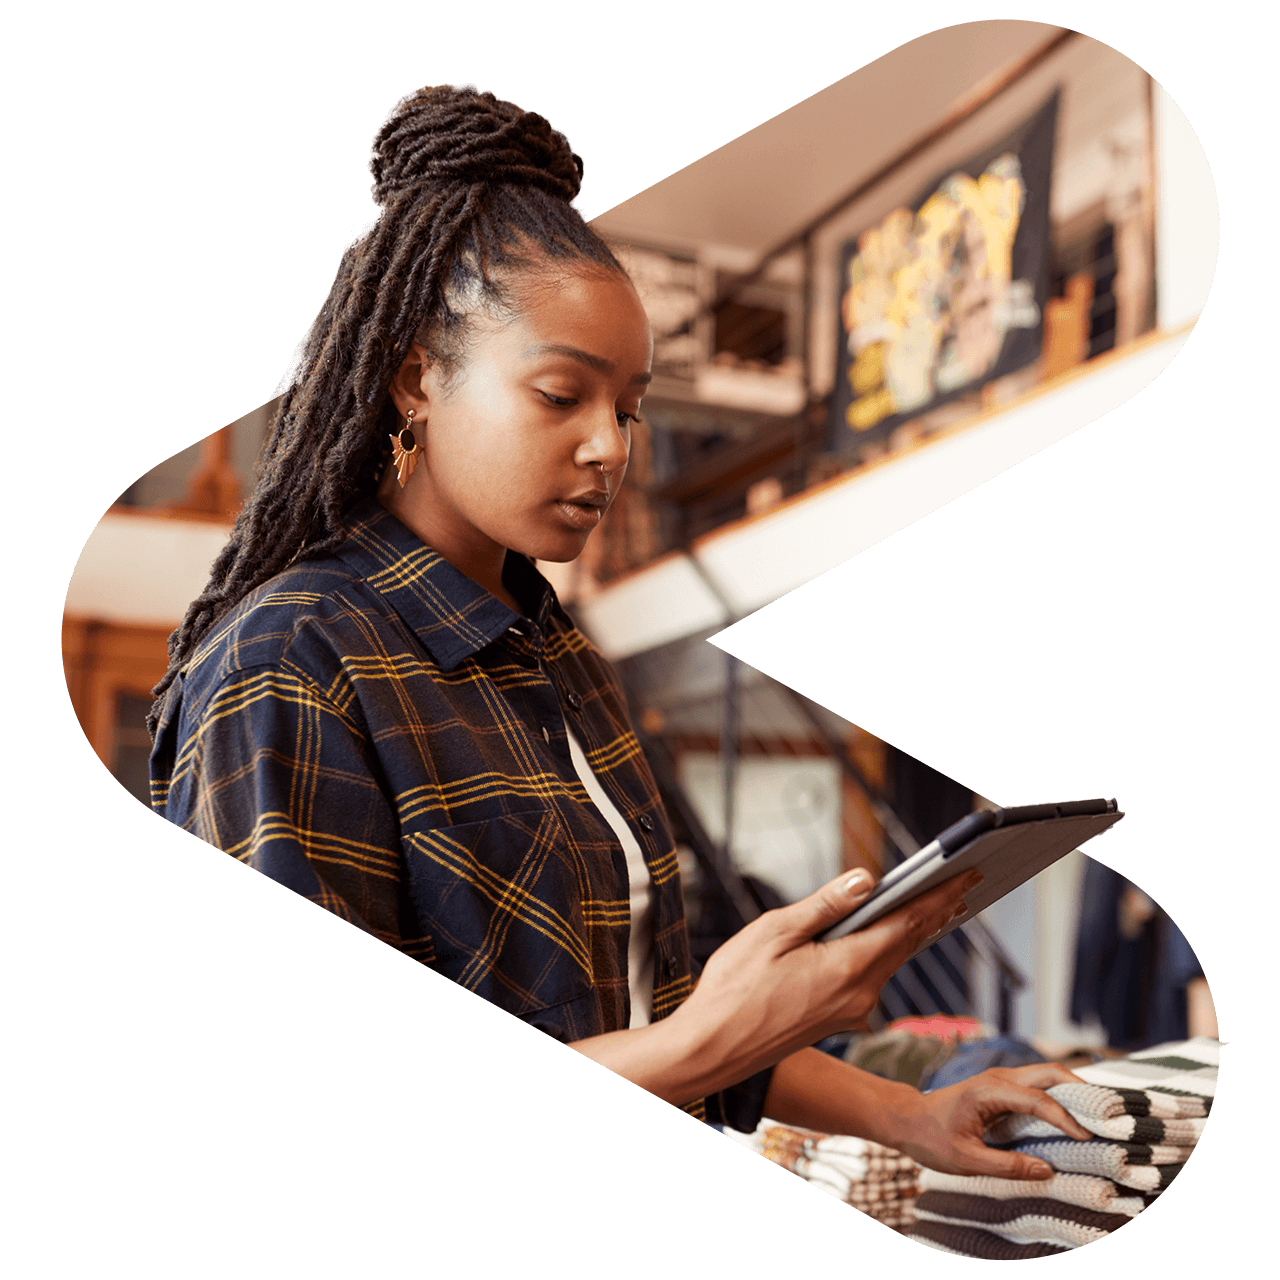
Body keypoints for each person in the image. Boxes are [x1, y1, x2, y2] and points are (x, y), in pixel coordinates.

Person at [147, 83, 1094, 1177]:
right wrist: (705, 1039)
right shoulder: (291, 664)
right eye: (561, 394)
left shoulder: (559, 659)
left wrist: (905, 1111)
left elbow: (646, 999)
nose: (610, 445)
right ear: (416, 375)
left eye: (630, 407)